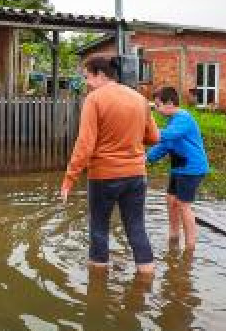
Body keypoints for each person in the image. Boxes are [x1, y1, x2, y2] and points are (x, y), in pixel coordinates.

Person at [60, 56, 160, 275]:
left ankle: (98, 290)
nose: (86, 82)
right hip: (136, 175)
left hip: (103, 177)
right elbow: (154, 137)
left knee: (99, 230)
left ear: (100, 74)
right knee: (136, 228)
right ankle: (146, 276)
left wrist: (69, 178)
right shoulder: (139, 99)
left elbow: (85, 145)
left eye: (87, 77)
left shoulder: (94, 100)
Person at [147, 86, 210, 250]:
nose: (156, 109)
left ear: (169, 103)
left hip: (192, 168)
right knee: (171, 200)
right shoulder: (172, 121)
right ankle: (174, 235)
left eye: (158, 105)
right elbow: (165, 145)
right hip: (179, 168)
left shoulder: (183, 118)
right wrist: (146, 158)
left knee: (183, 205)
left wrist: (144, 131)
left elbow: (166, 136)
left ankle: (190, 246)